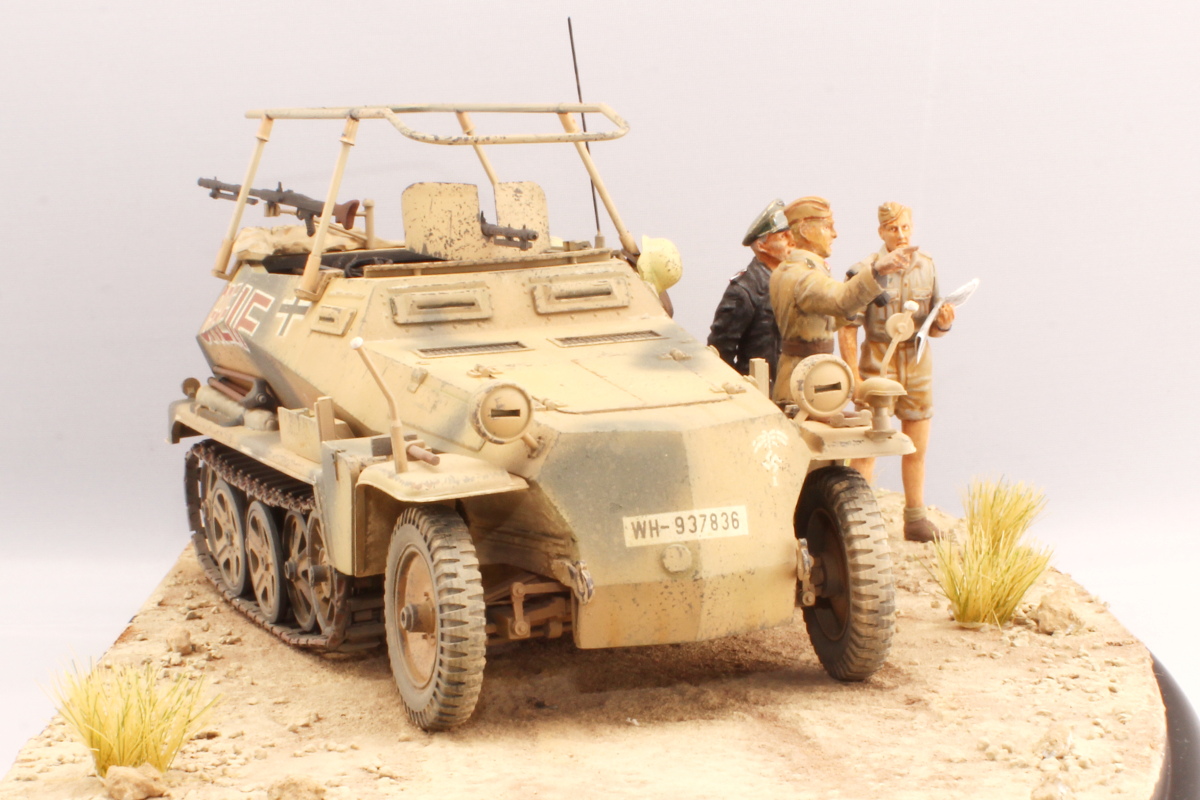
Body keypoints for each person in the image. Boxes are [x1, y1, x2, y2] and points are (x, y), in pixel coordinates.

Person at [838, 202, 956, 543]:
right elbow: (847, 326)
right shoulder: (865, 271)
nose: (901, 234)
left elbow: (933, 324)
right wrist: (854, 376)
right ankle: (858, 523)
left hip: (916, 360)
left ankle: (915, 518)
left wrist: (944, 324)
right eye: (893, 229)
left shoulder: (927, 266)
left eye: (905, 227)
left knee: (917, 444)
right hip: (879, 359)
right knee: (868, 443)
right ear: (881, 232)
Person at [768, 196, 916, 403]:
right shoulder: (803, 276)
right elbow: (840, 300)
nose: (834, 234)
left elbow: (823, 320)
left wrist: (855, 304)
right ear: (805, 230)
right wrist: (877, 270)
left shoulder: (789, 269)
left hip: (807, 374)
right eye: (827, 227)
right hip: (806, 382)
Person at [707, 199, 793, 387]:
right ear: (762, 246)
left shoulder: (791, 281)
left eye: (791, 235)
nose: (792, 242)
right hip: (759, 388)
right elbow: (720, 351)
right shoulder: (744, 290)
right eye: (783, 236)